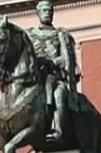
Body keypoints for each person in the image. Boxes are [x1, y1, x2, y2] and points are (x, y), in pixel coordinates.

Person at [26, 0, 79, 143]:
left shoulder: (60, 35)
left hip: (55, 79)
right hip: (36, 80)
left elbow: (67, 59)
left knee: (59, 97)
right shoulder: (30, 35)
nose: (47, 13)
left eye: (50, 11)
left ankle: (57, 130)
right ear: (38, 13)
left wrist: (53, 62)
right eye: (44, 10)